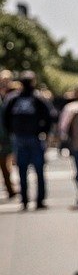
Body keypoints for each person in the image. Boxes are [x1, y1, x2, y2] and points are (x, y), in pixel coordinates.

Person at [2, 71, 55, 210]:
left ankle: (26, 200)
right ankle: (37, 200)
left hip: (22, 137)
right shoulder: (37, 98)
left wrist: (12, 132)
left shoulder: (14, 99)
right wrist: (44, 132)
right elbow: (50, 116)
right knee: (36, 170)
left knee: (24, 170)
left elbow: (5, 118)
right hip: (31, 137)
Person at [0, 70, 15, 198]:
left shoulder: (12, 95)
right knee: (4, 162)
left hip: (7, 135)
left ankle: (10, 187)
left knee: (7, 162)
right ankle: (9, 187)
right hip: (3, 134)